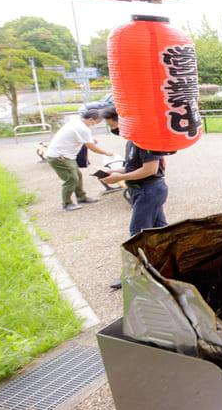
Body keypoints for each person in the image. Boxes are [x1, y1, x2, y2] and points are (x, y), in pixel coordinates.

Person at [100, 107, 169, 289]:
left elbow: (150, 169)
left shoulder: (146, 139)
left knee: (137, 234)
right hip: (143, 190)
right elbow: (134, 166)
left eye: (113, 125)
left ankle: (132, 275)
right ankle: (168, 262)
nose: (114, 130)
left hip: (149, 190)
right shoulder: (133, 140)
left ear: (123, 121)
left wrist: (120, 178)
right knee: (160, 229)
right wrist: (116, 172)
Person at [45, 109, 112, 211]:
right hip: (60, 157)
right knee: (71, 179)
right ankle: (66, 203)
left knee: (77, 176)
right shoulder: (83, 128)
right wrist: (106, 152)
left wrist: (90, 140)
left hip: (63, 156)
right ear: (90, 119)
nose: (94, 125)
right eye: (95, 122)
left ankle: (81, 197)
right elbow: (91, 147)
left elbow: (78, 138)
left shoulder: (76, 122)